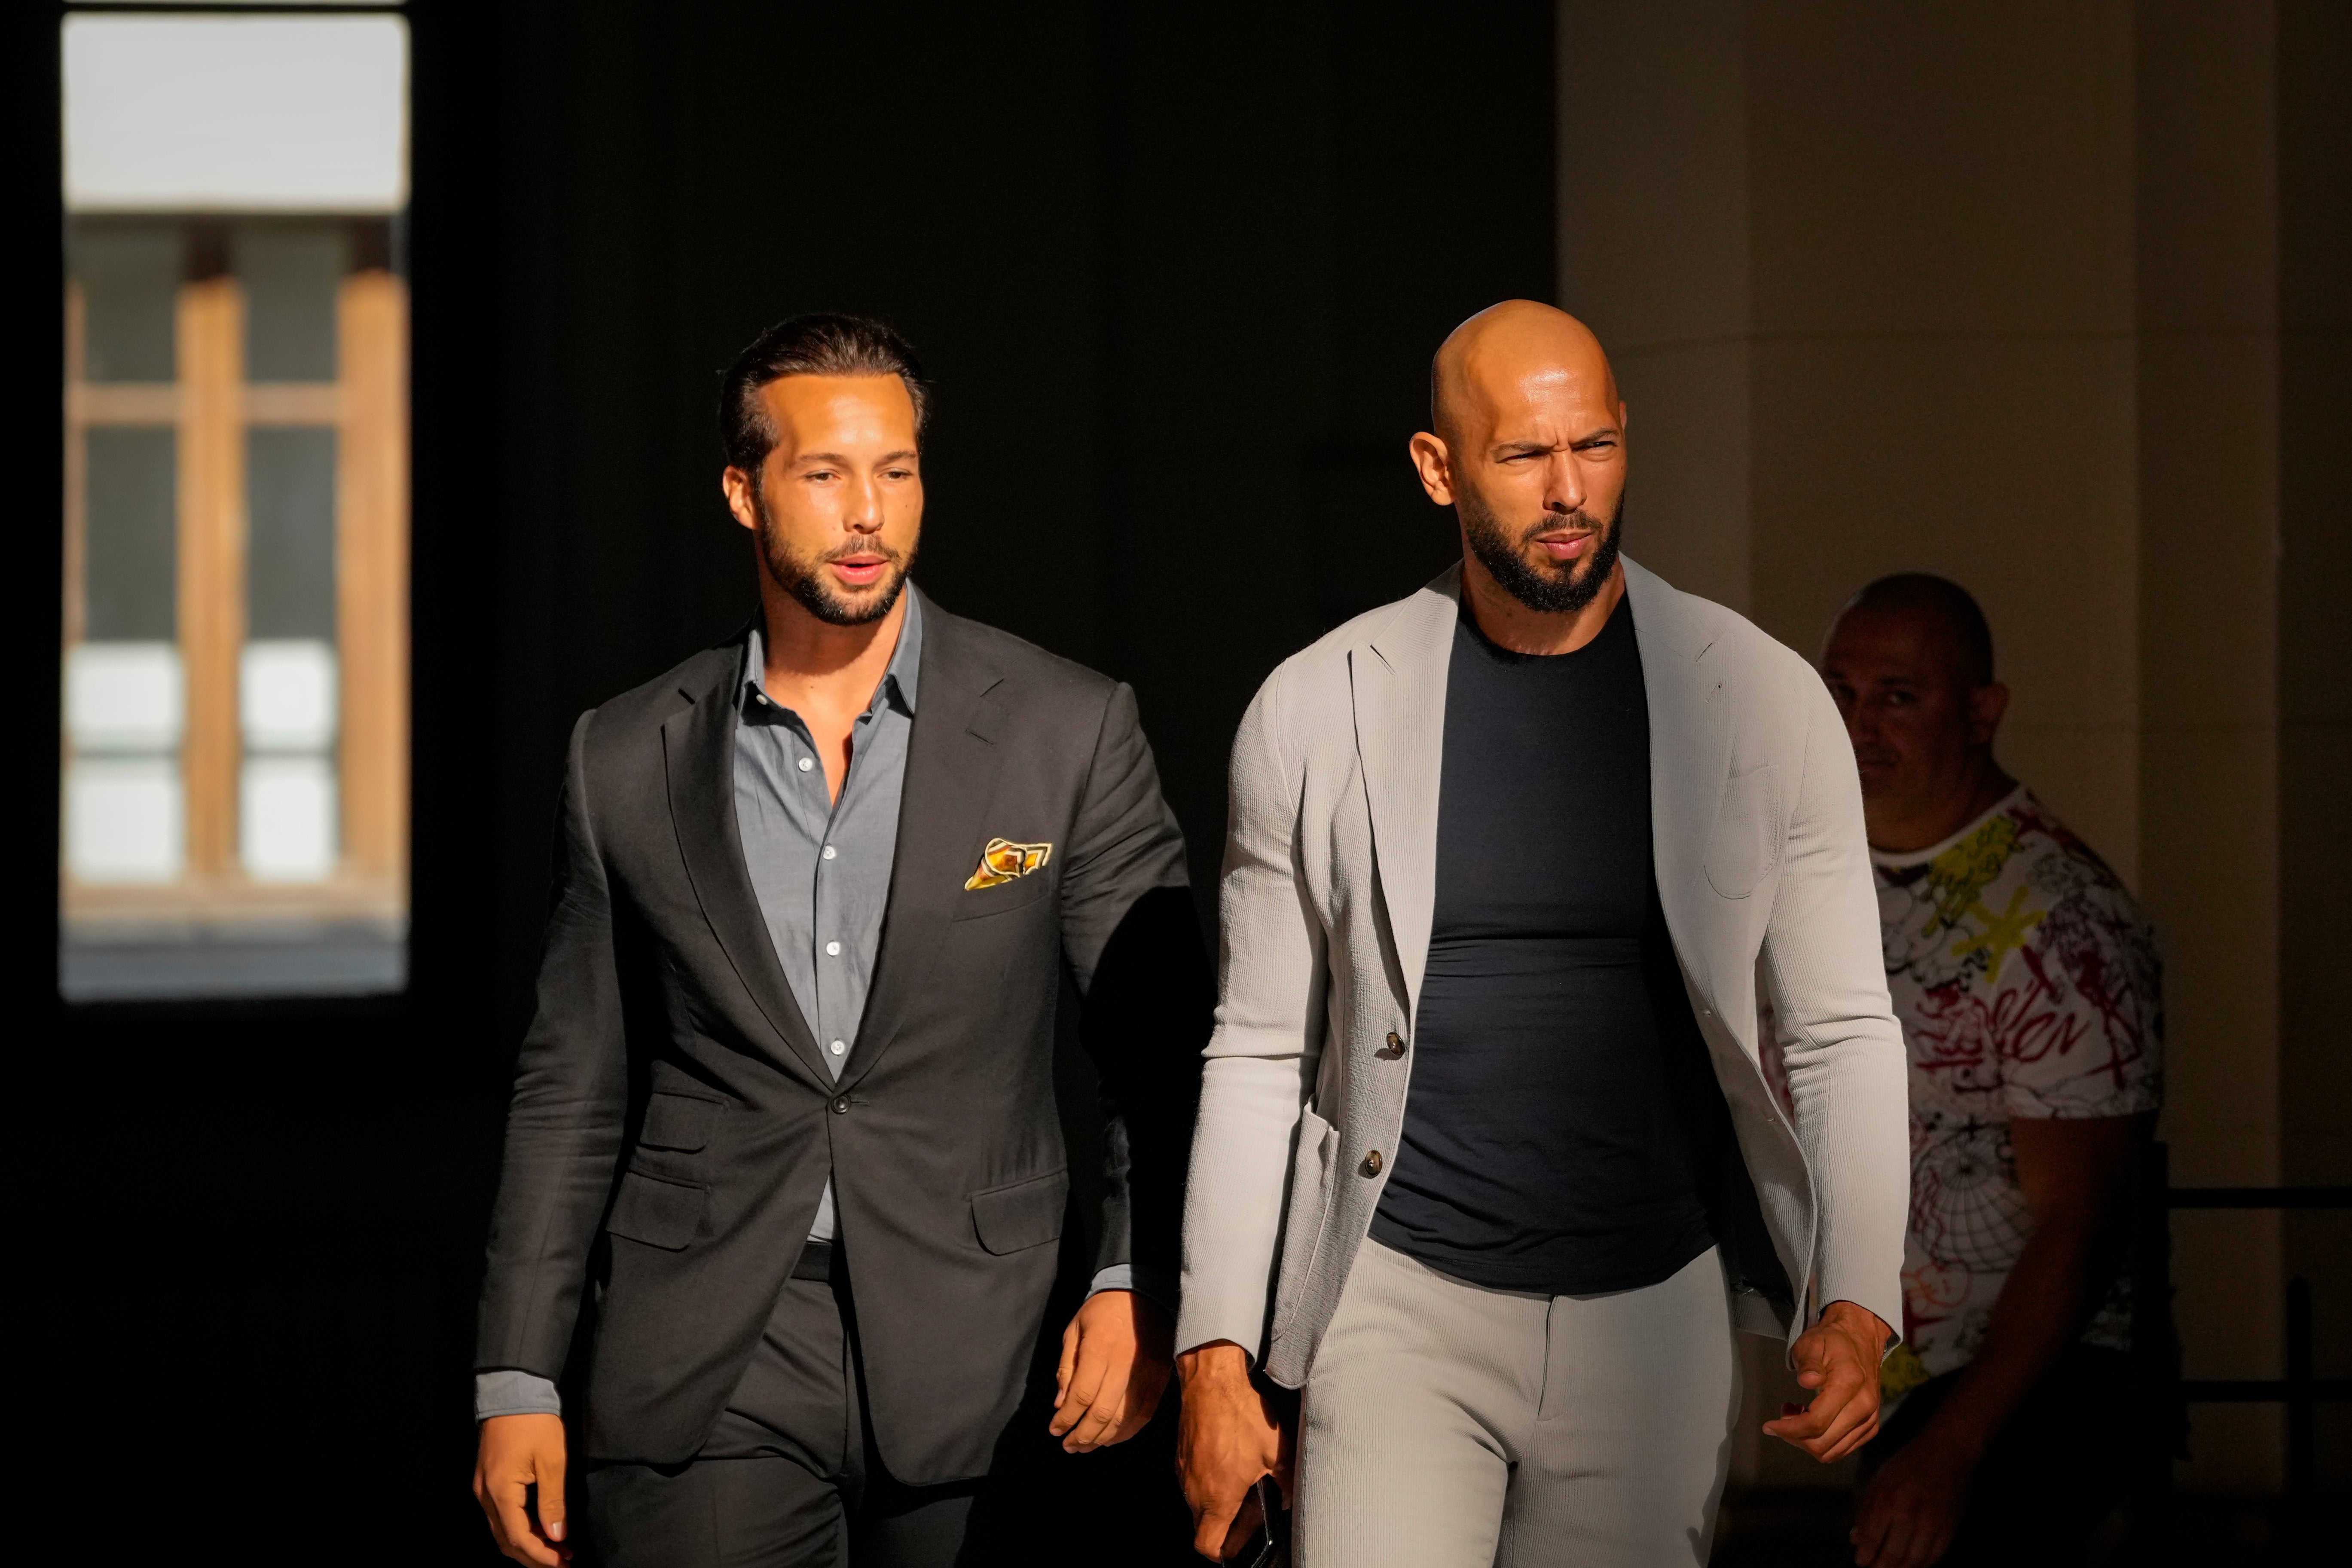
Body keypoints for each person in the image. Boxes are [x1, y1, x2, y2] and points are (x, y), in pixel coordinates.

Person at [1174, 299, 1910, 1567]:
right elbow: (1254, 1050)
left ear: (1626, 435)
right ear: (1438, 467)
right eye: (1523, 456)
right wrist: (1215, 1354)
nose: (1569, 490)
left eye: (1596, 447)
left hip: (1654, 1316)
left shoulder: (1759, 698)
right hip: (1395, 1301)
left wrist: (1855, 1298)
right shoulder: (1315, 707)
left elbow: (1842, 1025)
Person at [468, 313, 1209, 1567]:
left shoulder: (1065, 728)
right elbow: (570, 1089)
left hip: (993, 1342)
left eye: (897, 471)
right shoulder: (624, 756)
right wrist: (516, 1372)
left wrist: (1137, 1278)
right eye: (824, 474)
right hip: (709, 1350)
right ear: (743, 493)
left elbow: (1159, 1045)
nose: (868, 513)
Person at [1822, 575, 2162, 1568]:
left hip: (2026, 1392)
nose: (1858, 723)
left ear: (1981, 711)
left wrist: (1952, 1448)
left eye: (1898, 695)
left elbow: (2080, 1220)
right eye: (1840, 690)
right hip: (1882, 1374)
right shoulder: (1817, 872)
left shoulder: (2061, 919)